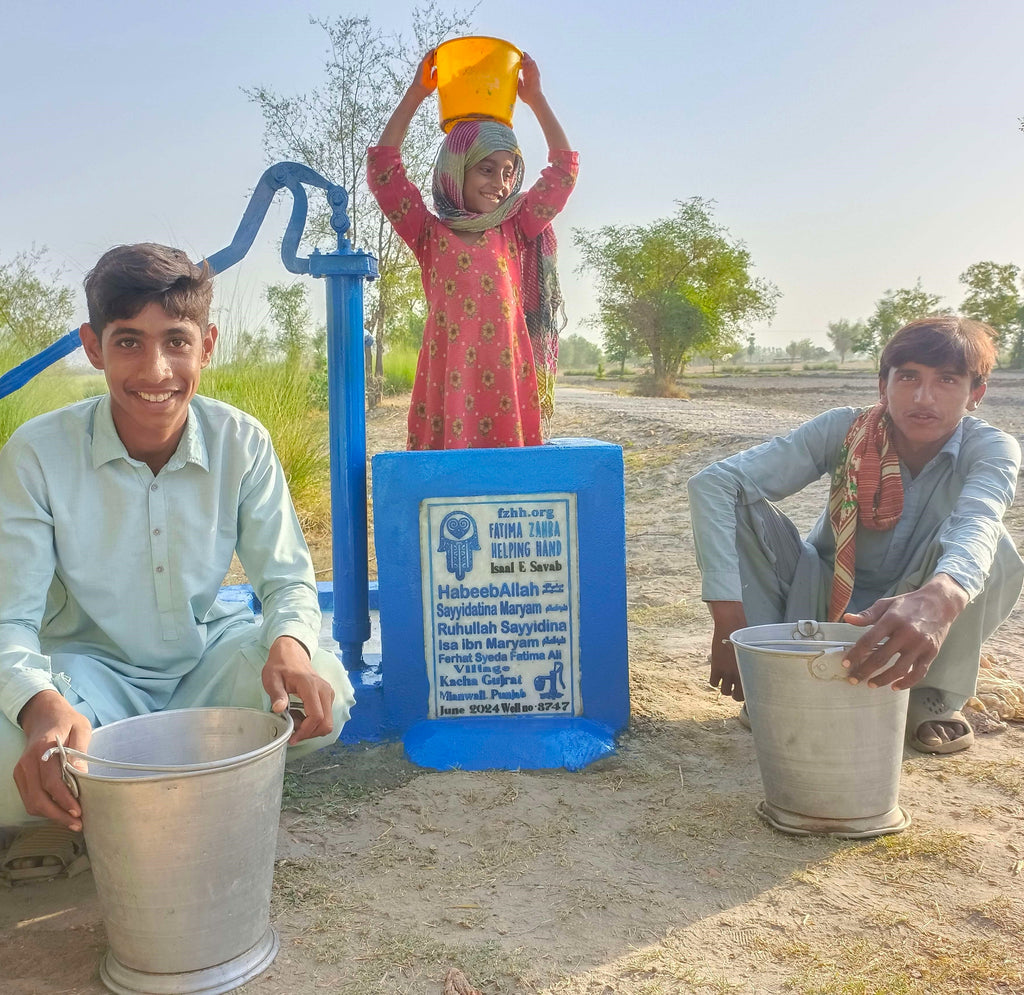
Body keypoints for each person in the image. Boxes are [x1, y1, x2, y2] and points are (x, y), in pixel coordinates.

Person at [0, 243, 355, 877]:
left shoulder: (241, 441)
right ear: (92, 345)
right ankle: (157, 792)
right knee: (8, 754)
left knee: (323, 688)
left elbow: (287, 582)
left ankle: (120, 799)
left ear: (207, 344)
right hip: (89, 680)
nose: (156, 369)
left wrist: (291, 646)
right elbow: (11, 619)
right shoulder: (37, 453)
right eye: (129, 341)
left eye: (176, 341)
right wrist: (39, 704)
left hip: (204, 670)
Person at [687, 316, 1024, 755]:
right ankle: (777, 673)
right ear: (883, 385)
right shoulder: (844, 430)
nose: (924, 397)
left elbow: (978, 518)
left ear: (974, 394)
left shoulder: (992, 448)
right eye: (908, 377)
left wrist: (938, 598)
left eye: (946, 379)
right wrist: (729, 625)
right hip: (822, 595)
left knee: (993, 545)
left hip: (920, 607)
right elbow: (714, 483)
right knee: (733, 499)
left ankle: (930, 695)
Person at [368, 50, 577, 450]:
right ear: (455, 166)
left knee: (506, 489)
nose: (499, 183)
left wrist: (535, 99)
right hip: (447, 380)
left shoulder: (514, 228)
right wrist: (416, 94)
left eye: (508, 171)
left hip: (507, 381)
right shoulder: (428, 232)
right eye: (486, 168)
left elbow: (563, 173)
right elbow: (384, 172)